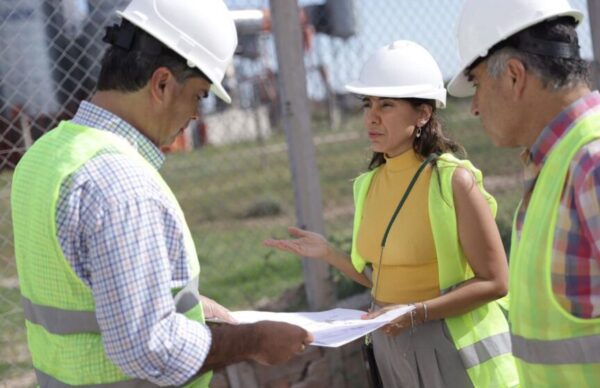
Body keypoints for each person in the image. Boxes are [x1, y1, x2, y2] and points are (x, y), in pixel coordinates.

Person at [10, 0, 312, 386]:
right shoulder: (121, 184)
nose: (195, 116)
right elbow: (150, 347)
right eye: (200, 95)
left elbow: (90, 283)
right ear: (163, 83)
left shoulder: (44, 157)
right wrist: (253, 340)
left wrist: (195, 309)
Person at [264, 40, 518, 388]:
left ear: (423, 114)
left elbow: (496, 281)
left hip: (449, 348)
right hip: (388, 345)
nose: (372, 116)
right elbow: (383, 278)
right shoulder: (367, 185)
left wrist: (416, 313)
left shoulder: (452, 180)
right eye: (368, 104)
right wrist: (328, 253)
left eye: (386, 105)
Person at [448, 0, 600, 386]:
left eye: (478, 84)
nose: (475, 108)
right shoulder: (559, 165)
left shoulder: (591, 163)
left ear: (514, 76)